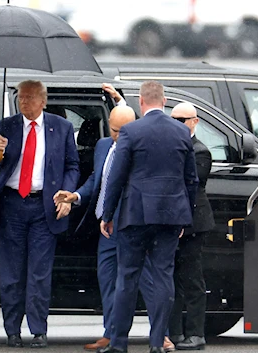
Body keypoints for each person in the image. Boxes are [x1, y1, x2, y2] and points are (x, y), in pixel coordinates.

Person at [54, 84, 175, 352]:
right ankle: (111, 333)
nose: (118, 136)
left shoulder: (141, 146)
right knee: (108, 281)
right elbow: (98, 180)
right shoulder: (102, 146)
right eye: (113, 130)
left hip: (132, 225)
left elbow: (153, 124)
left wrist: (124, 100)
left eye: (123, 131)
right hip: (105, 226)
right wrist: (75, 197)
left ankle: (162, 335)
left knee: (147, 282)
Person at [0, 80, 80, 348]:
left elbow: (72, 165)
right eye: (20, 98)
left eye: (30, 98)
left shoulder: (61, 127)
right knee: (12, 272)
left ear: (43, 101)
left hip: (44, 206)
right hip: (12, 205)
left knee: (39, 272)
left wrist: (67, 192)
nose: (24, 103)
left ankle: (39, 330)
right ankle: (12, 331)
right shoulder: (5, 126)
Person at [98, 81, 198, 353]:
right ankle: (157, 343)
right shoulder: (181, 133)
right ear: (164, 101)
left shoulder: (131, 131)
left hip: (136, 214)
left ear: (141, 102)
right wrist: (184, 217)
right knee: (164, 277)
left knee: (127, 278)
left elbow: (116, 177)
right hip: (170, 215)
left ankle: (119, 344)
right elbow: (191, 180)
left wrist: (108, 214)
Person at [168, 103, 214, 350]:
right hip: (176, 221)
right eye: (173, 119)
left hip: (193, 223)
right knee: (173, 279)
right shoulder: (173, 147)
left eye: (182, 120)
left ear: (194, 122)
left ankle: (196, 333)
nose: (176, 124)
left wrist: (183, 222)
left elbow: (192, 187)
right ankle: (174, 332)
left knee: (192, 278)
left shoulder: (200, 151)